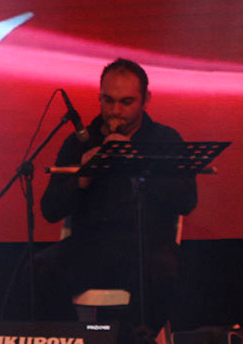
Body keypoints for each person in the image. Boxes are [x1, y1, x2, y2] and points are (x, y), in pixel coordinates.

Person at [36, 58, 197, 336]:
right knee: (39, 270)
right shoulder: (79, 142)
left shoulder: (165, 140)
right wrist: (84, 176)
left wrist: (137, 163)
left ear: (146, 100)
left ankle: (130, 340)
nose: (115, 111)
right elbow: (50, 210)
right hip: (90, 247)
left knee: (166, 272)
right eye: (108, 100)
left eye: (126, 102)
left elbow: (187, 201)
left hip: (146, 246)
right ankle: (78, 339)